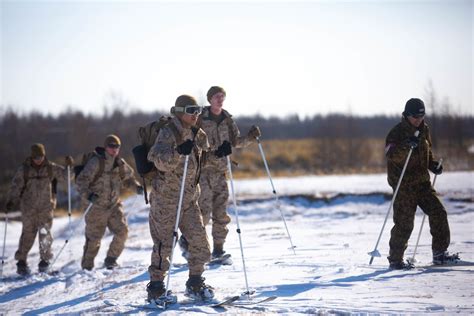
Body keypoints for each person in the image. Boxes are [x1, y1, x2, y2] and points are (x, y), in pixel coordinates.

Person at [179, 86, 261, 262]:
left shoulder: (227, 119)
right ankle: (189, 243)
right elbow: (193, 142)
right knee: (204, 212)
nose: (220, 99)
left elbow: (236, 141)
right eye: (216, 96)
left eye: (222, 96)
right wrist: (213, 152)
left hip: (221, 172)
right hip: (203, 172)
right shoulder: (200, 118)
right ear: (209, 99)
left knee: (221, 213)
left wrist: (251, 138)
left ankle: (218, 249)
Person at [146, 95, 214, 302]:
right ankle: (156, 288)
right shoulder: (168, 132)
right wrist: (177, 152)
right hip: (166, 200)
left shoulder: (197, 133)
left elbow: (205, 157)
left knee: (200, 244)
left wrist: (220, 152)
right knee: (164, 245)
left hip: (189, 199)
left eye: (198, 110)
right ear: (179, 111)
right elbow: (158, 161)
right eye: (191, 110)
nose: (196, 115)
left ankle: (194, 283)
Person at [385, 98, 458, 269]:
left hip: (423, 184)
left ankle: (440, 253)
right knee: (404, 224)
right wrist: (405, 146)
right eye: (415, 117)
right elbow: (391, 155)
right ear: (406, 115)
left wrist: (433, 165)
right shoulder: (396, 133)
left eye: (421, 116)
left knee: (439, 212)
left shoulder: (424, 129)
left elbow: (427, 152)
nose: (418, 120)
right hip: (404, 186)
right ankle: (396, 260)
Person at [4, 143, 74, 275]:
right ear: (32, 156)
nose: (38, 159)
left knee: (45, 234)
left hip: (46, 208)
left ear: (44, 155)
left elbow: (67, 177)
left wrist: (69, 166)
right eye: (36, 157)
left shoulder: (50, 168)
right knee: (28, 235)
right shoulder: (24, 170)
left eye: (40, 156)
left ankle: (44, 262)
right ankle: (21, 262)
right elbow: (16, 186)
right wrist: (11, 201)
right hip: (28, 208)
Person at [76, 134, 142, 270]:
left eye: (117, 147)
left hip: (113, 206)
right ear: (106, 147)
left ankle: (111, 260)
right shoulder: (96, 162)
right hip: (95, 207)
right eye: (111, 146)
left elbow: (128, 179)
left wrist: (137, 187)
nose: (114, 149)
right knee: (94, 240)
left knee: (122, 232)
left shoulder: (120, 163)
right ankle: (86, 268)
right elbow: (81, 181)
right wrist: (89, 195)